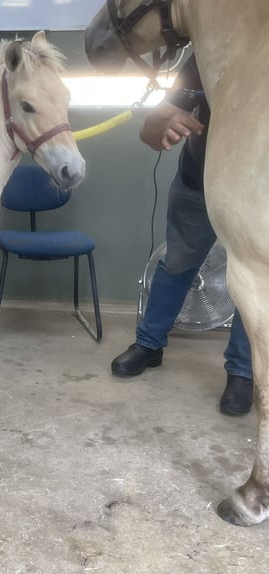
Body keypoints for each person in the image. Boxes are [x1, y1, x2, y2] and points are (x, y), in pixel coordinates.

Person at [110, 55, 254, 416]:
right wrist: (159, 126)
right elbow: (150, 133)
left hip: (257, 195)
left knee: (253, 284)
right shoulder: (206, 53)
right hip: (197, 185)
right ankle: (149, 345)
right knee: (175, 265)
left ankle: (243, 373)